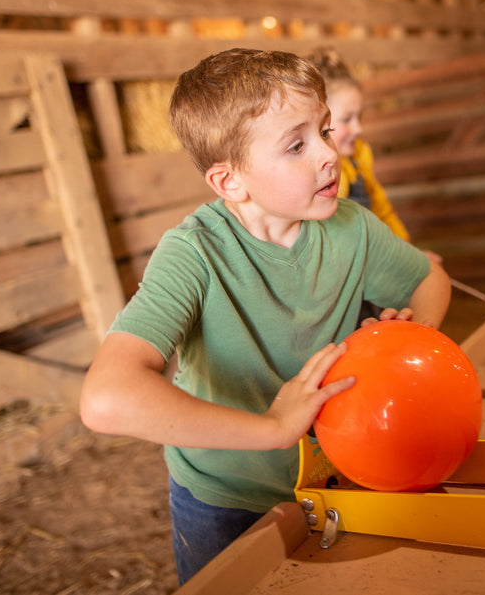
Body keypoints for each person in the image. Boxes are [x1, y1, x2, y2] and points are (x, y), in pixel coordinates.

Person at [79, 49, 451, 586]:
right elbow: (106, 398)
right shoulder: (194, 254)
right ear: (230, 182)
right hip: (227, 497)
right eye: (297, 145)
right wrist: (274, 428)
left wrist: (409, 332)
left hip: (342, 475)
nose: (329, 154)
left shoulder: (353, 228)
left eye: (324, 131)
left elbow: (429, 280)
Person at [308, 48, 416, 243]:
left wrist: (407, 251)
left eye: (360, 117)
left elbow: (382, 210)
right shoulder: (315, 173)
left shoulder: (359, 158)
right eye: (347, 119)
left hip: (376, 253)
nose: (358, 128)